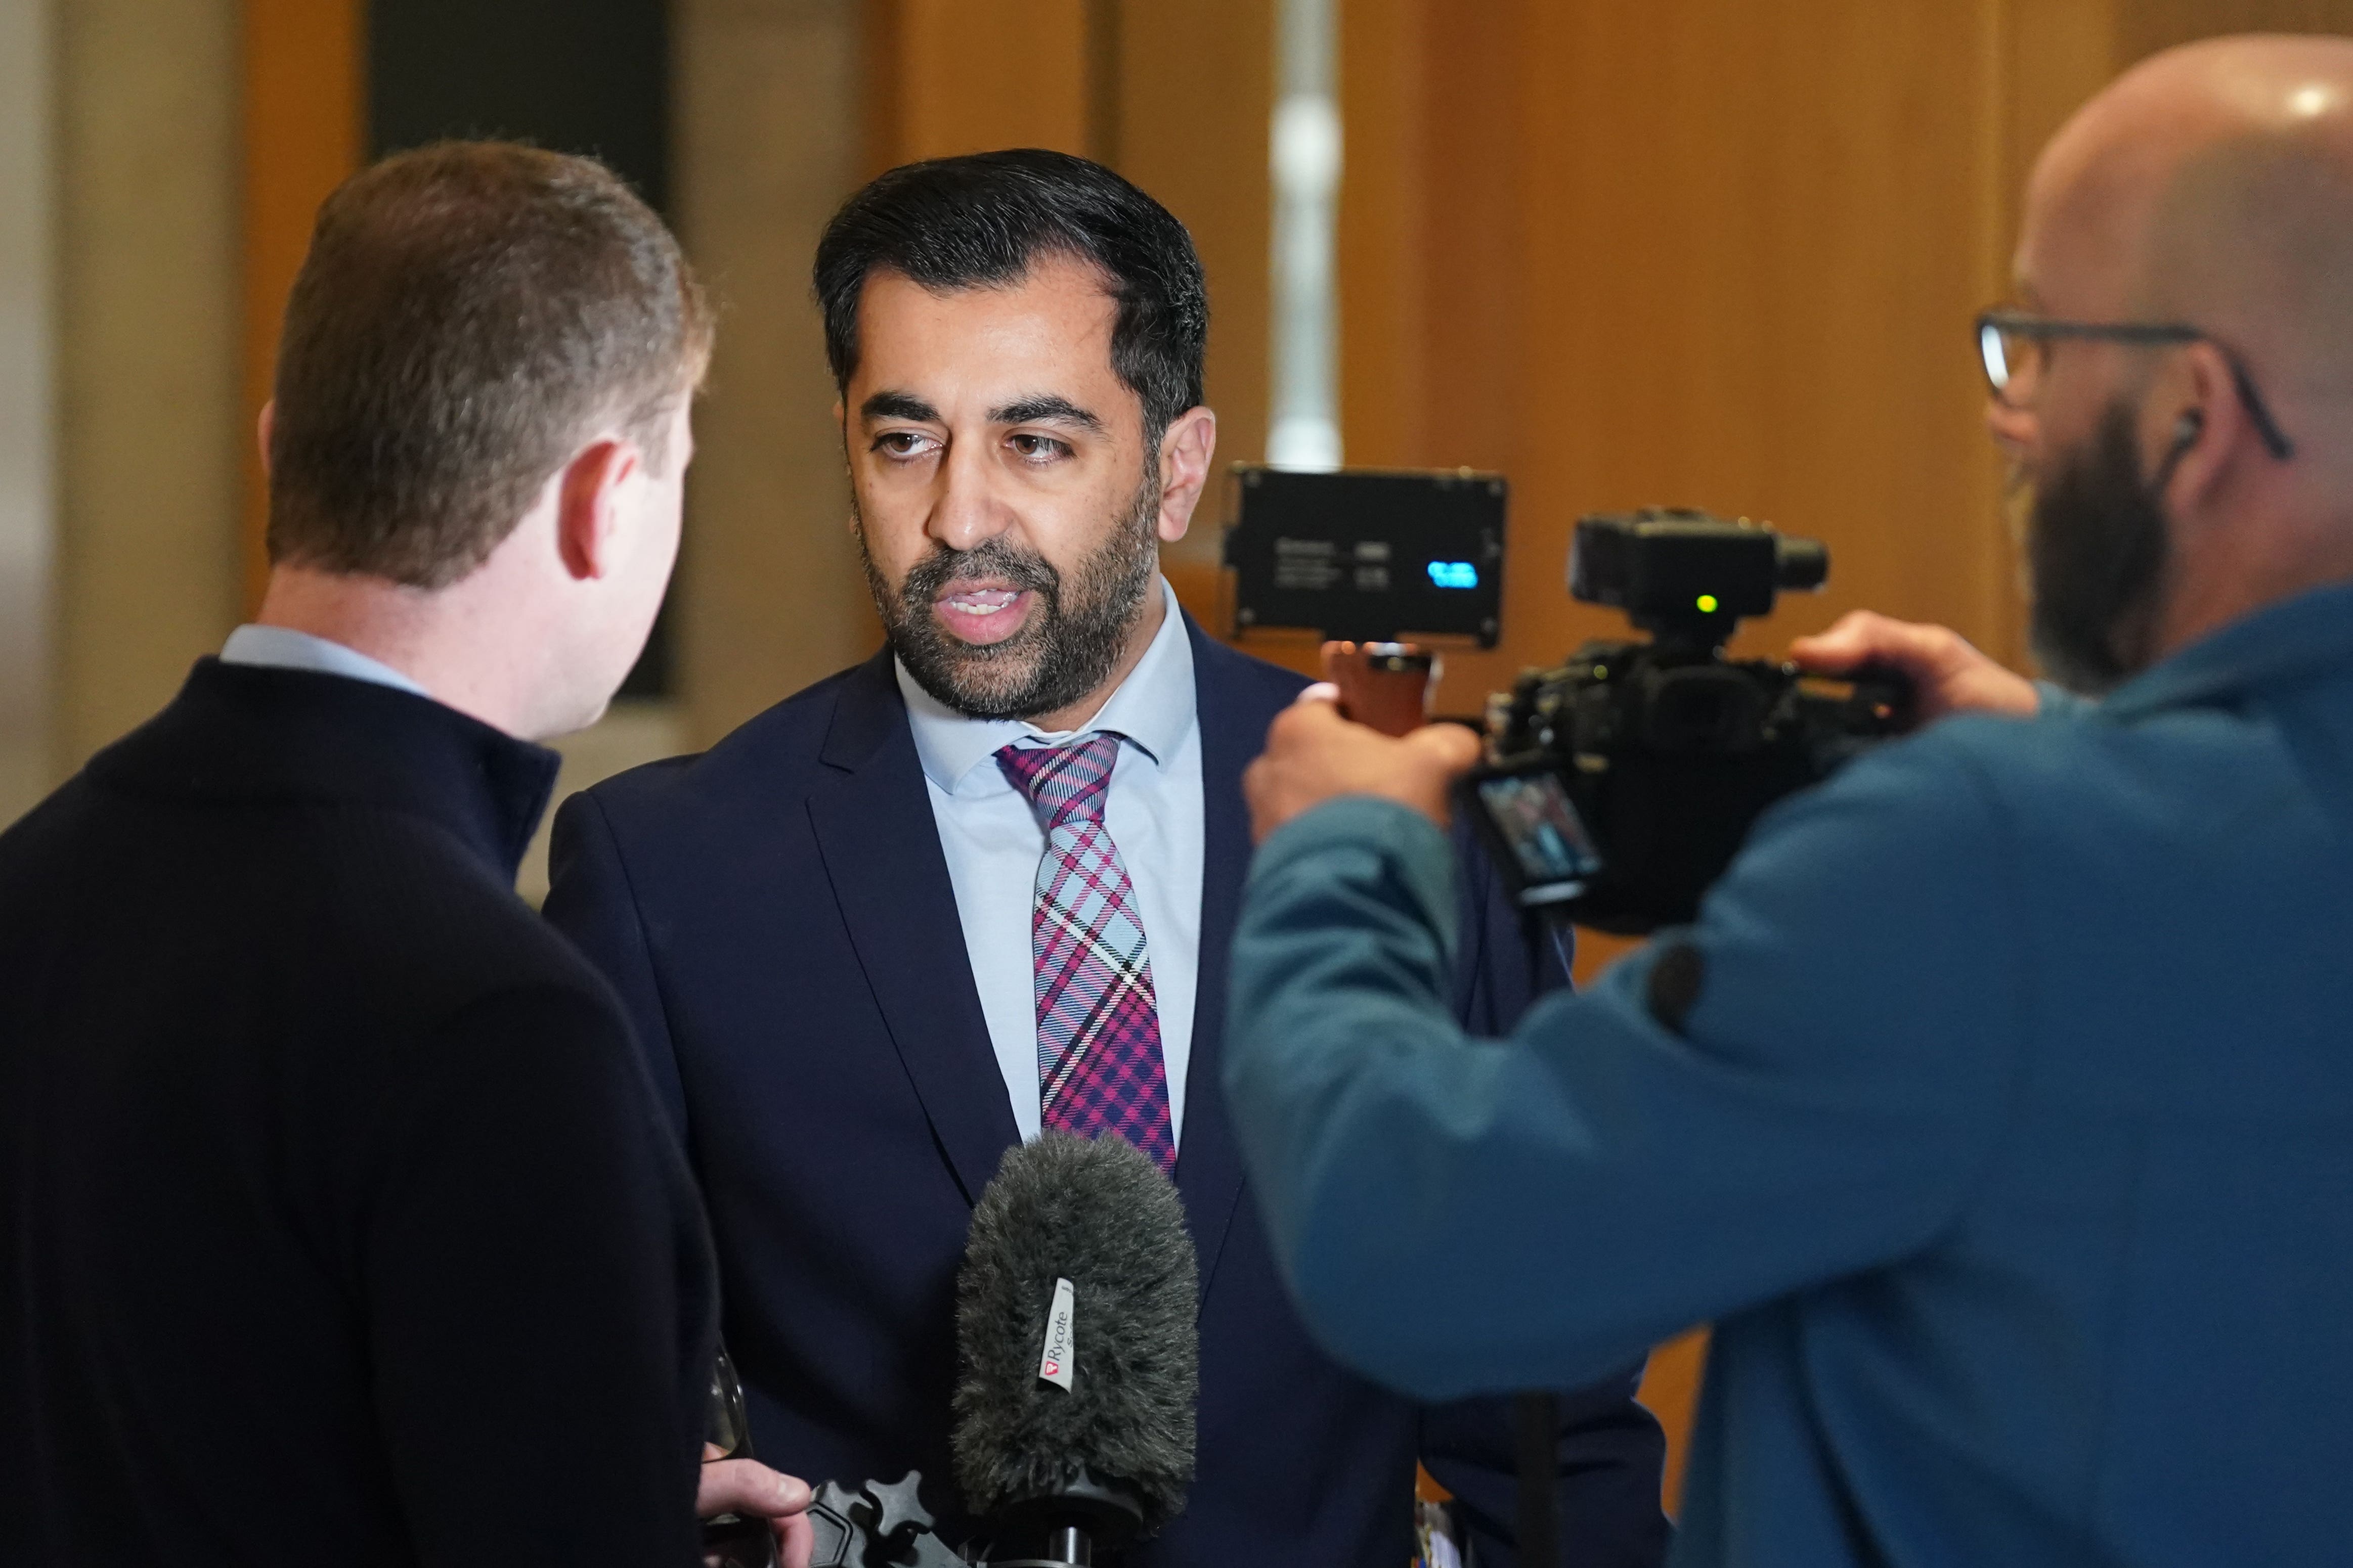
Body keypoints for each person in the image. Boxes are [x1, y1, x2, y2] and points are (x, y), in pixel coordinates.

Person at [1224, 33, 2353, 1568]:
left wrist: (1342, 851)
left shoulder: (1985, 858)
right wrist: (2065, 745)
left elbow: (1417, 1250)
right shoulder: (2063, 825)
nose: (2008, 419)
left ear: (2190, 415)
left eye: (2039, 345)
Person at [543, 149, 1668, 1566]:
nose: (959, 518)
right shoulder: (667, 873)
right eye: (905, 441)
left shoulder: (1410, 822)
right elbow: (577, 1404)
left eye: (1036, 443)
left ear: (1174, 468)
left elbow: (1550, 1428)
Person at [0, 143, 811, 1565]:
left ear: (275, 445)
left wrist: (590, 1460)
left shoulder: (28, 888)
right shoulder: (501, 1027)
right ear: (605, 501)